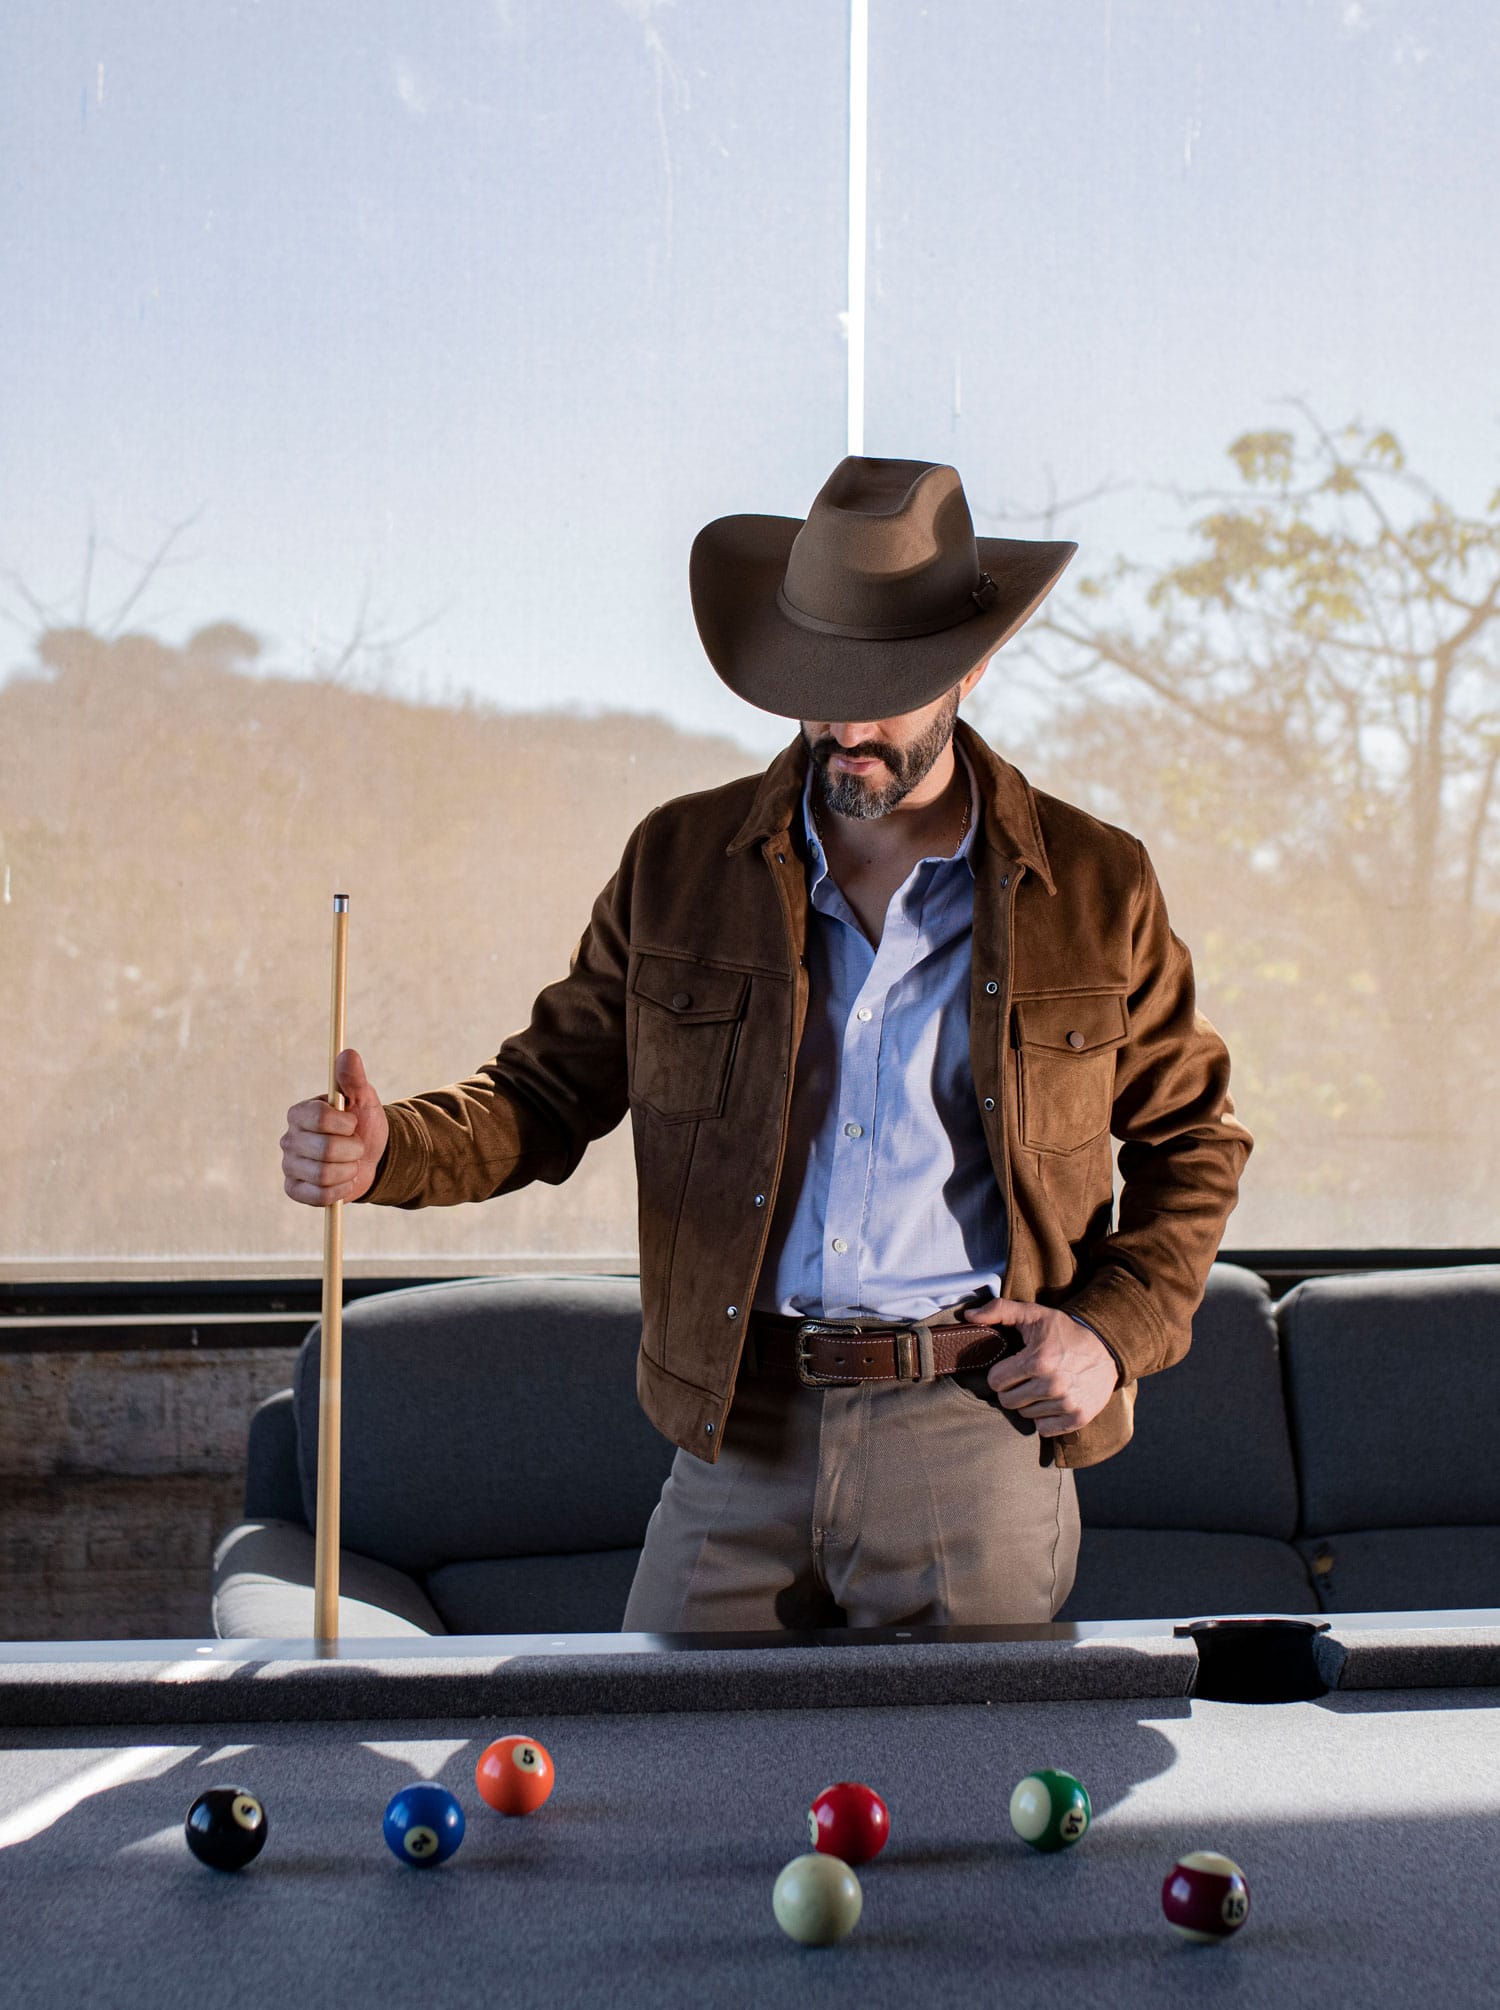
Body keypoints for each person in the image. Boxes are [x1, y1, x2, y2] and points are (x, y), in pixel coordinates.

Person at [280, 455, 1252, 1633]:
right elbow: (544, 1092)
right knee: (654, 1789)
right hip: (735, 1425)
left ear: (973, 664)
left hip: (973, 1433)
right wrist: (392, 1152)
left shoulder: (1098, 885)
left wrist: (1109, 1332)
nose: (846, 723)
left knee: (969, 1801)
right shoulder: (677, 864)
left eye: (885, 685)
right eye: (816, 680)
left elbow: (1193, 1138)